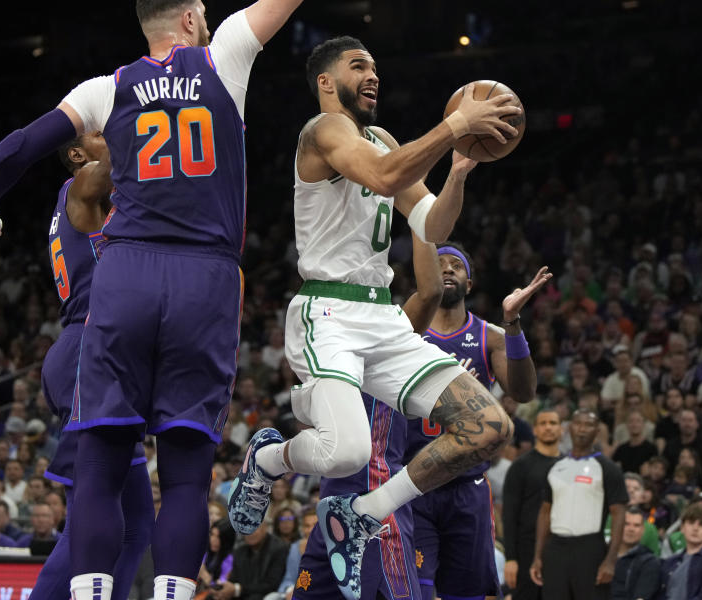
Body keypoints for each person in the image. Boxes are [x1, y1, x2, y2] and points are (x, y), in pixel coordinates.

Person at [0, 0, 334, 600]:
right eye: (205, 16)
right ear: (190, 20)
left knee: (102, 466)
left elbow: (15, 149)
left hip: (124, 277)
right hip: (205, 280)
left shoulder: (106, 89)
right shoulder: (225, 57)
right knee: (185, 475)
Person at [228, 35, 527, 600]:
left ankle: (363, 515)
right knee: (347, 452)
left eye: (375, 67)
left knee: (489, 428)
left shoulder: (383, 139)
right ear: (324, 81)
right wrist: (454, 124)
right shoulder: (324, 131)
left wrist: (459, 171)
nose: (372, 76)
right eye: (357, 66)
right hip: (330, 312)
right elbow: (387, 178)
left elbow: (433, 225)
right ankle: (267, 459)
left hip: (383, 318)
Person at [28, 133, 153, 600]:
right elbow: (123, 163)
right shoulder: (80, 183)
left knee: (136, 524)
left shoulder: (95, 202)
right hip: (89, 350)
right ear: (77, 154)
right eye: (101, 132)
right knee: (89, 518)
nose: (114, 131)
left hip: (97, 351)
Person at [292, 235, 444, 600]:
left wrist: (423, 219)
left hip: (376, 513)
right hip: (330, 509)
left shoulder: (388, 340)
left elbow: (428, 295)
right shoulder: (322, 338)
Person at [405, 242, 545, 600]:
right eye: (440, 265)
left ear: (469, 285)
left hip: (466, 488)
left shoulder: (490, 336)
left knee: (466, 593)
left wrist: (512, 322)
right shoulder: (402, 332)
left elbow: (525, 392)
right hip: (414, 483)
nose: (448, 269)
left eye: (457, 266)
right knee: (413, 591)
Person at [530, 409, 628, 600]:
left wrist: (610, 560)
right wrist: (538, 556)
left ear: (597, 430)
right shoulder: (555, 468)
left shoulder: (608, 469)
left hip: (590, 548)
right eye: (578, 424)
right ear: (568, 429)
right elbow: (544, 512)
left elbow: (619, 514)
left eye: (589, 425)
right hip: (556, 548)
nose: (582, 429)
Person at [502, 409, 563, 600]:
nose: (548, 427)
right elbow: (509, 514)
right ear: (534, 430)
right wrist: (511, 557)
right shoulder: (520, 466)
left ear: (561, 429)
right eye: (543, 423)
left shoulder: (568, 465)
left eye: (553, 423)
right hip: (526, 548)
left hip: (560, 547)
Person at [660, 505, 702, 600]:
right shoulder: (671, 562)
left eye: (701, 525)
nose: (695, 528)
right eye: (691, 523)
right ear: (682, 528)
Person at [214, 522, 288, 600]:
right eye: (246, 528)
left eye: (255, 527)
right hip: (241, 594)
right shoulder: (239, 551)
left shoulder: (279, 549)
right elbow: (234, 579)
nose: (250, 532)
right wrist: (223, 588)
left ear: (265, 528)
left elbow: (271, 584)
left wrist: (238, 589)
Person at [611, 506, 661, 600]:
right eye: (626, 524)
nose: (631, 529)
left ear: (643, 530)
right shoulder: (603, 555)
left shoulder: (649, 562)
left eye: (636, 525)